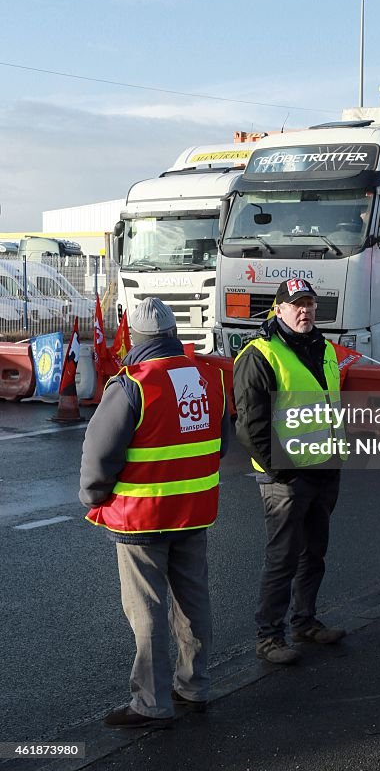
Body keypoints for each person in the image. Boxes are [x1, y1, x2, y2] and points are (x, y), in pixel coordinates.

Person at [79, 297, 229, 728]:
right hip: (195, 512)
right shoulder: (207, 376)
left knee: (146, 611)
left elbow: (98, 454)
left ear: (137, 338)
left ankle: (151, 702)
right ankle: (194, 687)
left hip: (142, 518)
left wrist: (94, 496)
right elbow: (217, 442)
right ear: (172, 334)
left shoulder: (133, 382)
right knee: (192, 602)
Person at [233, 278, 346, 666]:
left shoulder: (324, 347)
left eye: (310, 304)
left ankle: (305, 621)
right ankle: (269, 636)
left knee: (314, 554)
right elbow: (250, 426)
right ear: (278, 309)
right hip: (287, 479)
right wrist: (281, 471)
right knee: (282, 557)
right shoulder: (260, 354)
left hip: (324, 470)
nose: (305, 310)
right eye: (296, 304)